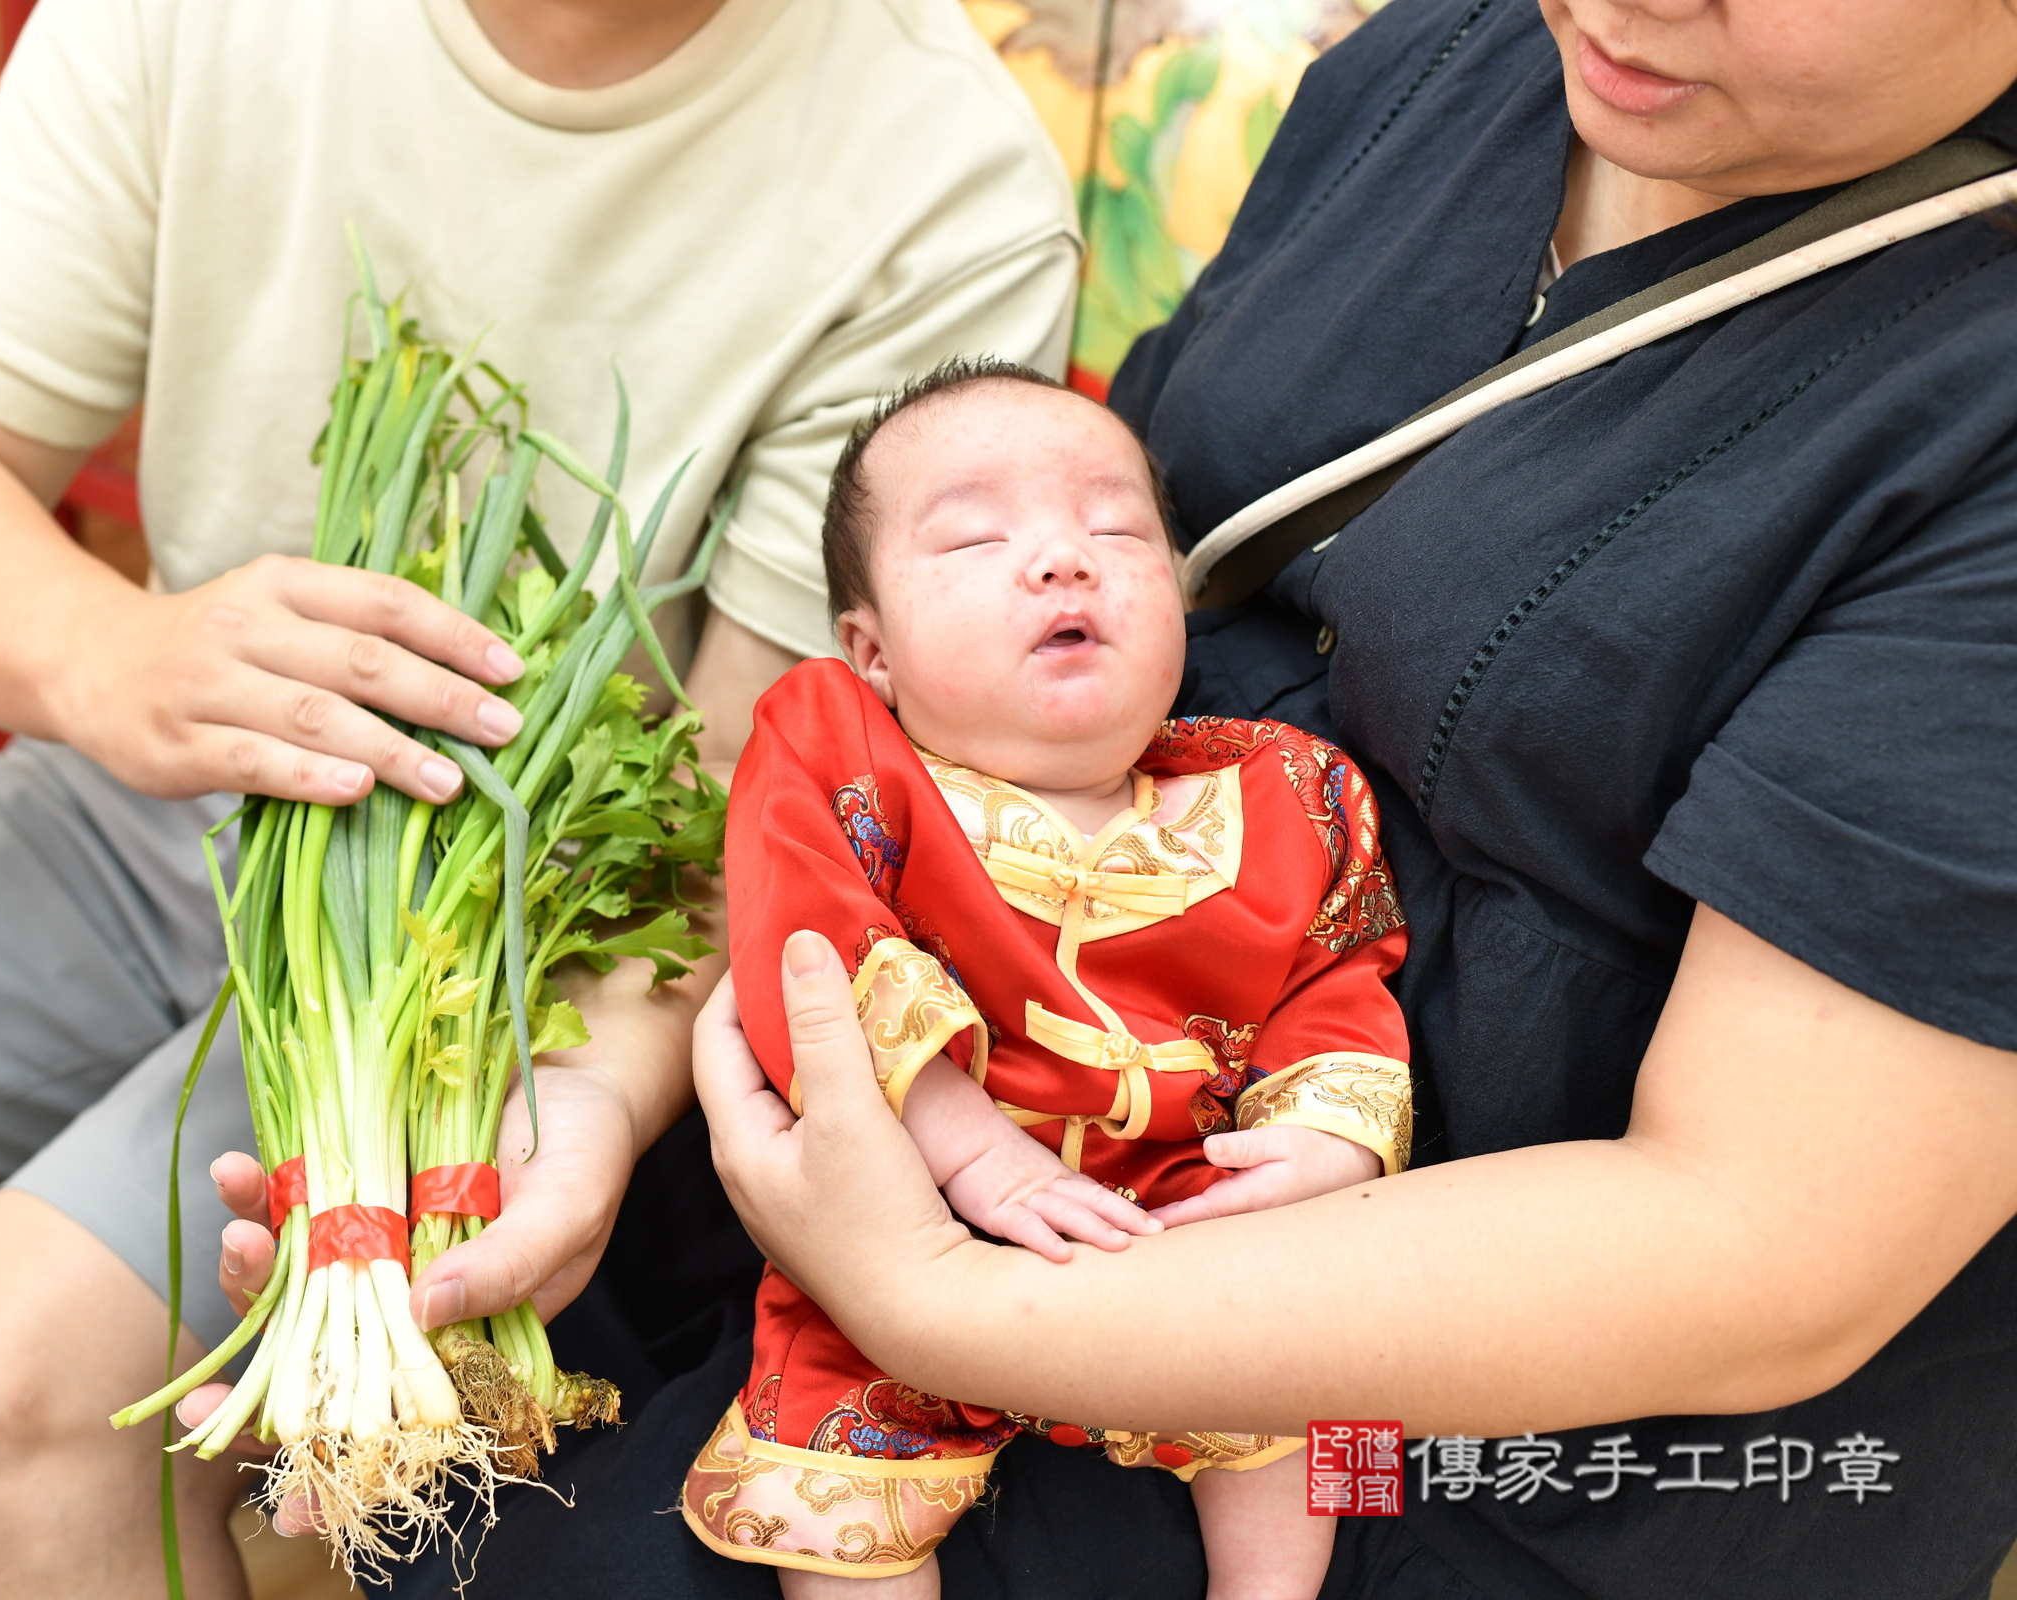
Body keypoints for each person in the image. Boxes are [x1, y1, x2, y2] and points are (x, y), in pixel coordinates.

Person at [217, 0, 2017, 1593]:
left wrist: (956, 1298)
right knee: (503, 1452)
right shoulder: (1453, 58)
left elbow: (1767, 1243)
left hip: (1481, 1354)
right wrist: (612, 1099)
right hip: (1016, 1017)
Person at [0, 0, 1080, 1590]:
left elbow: (750, 813)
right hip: (162, 794)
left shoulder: (936, 169)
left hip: (535, 934)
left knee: (16, 1386)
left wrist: (592, 1108)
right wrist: (117, 654)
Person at [684, 361, 1416, 1598]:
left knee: (1342, 1396)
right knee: (834, 1486)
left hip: (1190, 1216)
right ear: (869, 648)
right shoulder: (834, 750)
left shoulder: (1291, 790)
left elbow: (1342, 974)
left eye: (1116, 528)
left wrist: (1328, 1143)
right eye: (975, 536)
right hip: (899, 1216)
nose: (1063, 560)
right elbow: (802, 938)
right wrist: (965, 1148)